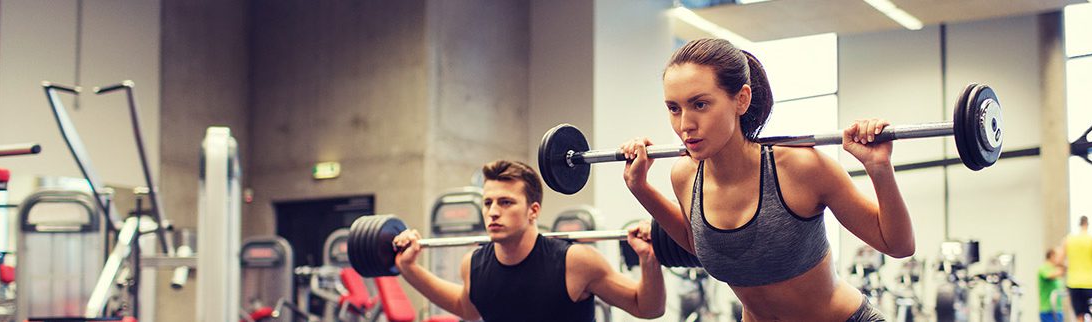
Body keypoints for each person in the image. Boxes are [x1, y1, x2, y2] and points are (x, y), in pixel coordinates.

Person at [619, 38, 915, 321]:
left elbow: (898, 245)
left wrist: (879, 168)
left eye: (700, 105)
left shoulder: (800, 168)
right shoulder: (685, 175)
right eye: (674, 108)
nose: (685, 125)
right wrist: (640, 188)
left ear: (741, 100)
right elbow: (703, 245)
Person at [392, 160, 665, 321]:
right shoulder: (473, 265)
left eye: (506, 202)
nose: (493, 211)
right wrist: (409, 269)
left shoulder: (575, 262)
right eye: (488, 203)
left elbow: (647, 307)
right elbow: (467, 308)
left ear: (533, 210)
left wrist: (649, 259)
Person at [1056, 216, 1092, 322]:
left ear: (1079, 224)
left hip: (1074, 283)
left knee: (1079, 317)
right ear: (1087, 224)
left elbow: (1059, 260)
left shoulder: (1068, 240)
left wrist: (1069, 267)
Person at [1039, 248, 1066, 322]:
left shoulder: (1055, 269)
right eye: (1058, 256)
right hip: (1048, 310)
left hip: (1058, 309)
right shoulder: (1044, 268)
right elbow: (1049, 276)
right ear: (1052, 256)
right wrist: (1065, 268)